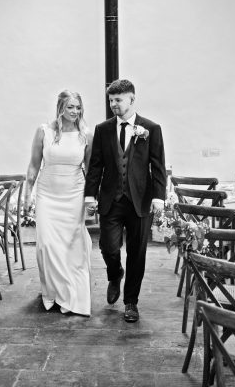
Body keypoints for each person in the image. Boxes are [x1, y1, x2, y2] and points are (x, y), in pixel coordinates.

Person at [85, 79, 166, 323]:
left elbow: (158, 166)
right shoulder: (103, 129)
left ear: (132, 99)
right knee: (108, 246)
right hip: (111, 198)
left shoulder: (151, 128)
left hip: (140, 201)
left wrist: (158, 198)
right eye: (111, 100)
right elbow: (96, 166)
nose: (113, 105)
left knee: (137, 252)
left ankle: (131, 301)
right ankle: (115, 272)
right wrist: (90, 195)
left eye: (118, 100)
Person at [24, 90, 93, 316]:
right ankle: (52, 292)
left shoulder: (86, 135)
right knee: (46, 245)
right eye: (70, 107)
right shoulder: (44, 131)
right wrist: (27, 194)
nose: (75, 111)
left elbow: (91, 170)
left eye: (78, 107)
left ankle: (70, 294)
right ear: (60, 107)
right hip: (47, 194)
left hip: (74, 193)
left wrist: (92, 198)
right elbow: (34, 165)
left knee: (71, 246)